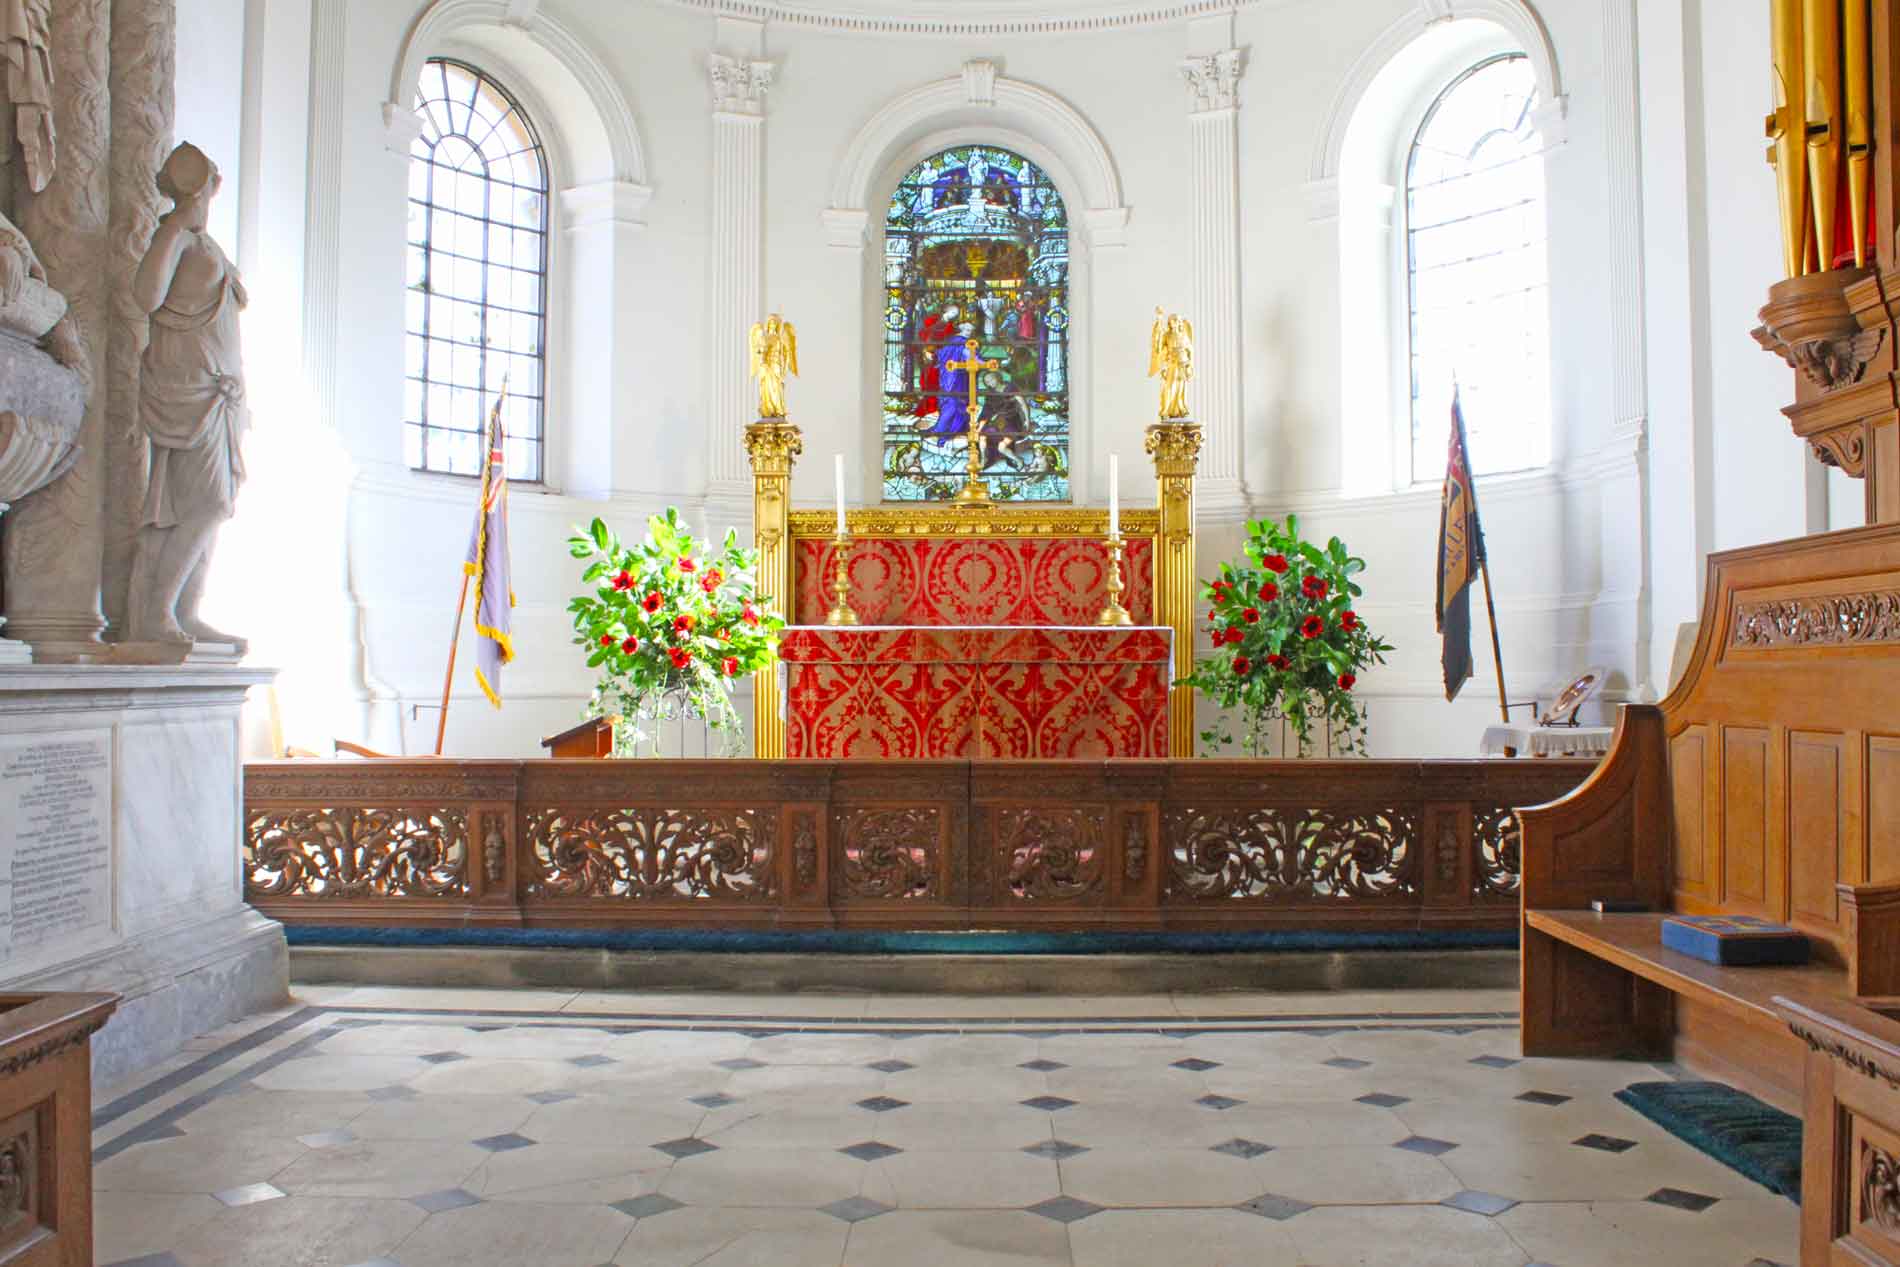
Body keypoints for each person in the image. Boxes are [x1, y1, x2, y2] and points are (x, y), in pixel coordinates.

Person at [126, 143, 249, 648]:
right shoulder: (176, 232)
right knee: (209, 503)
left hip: (220, 397)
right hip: (187, 392)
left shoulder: (207, 241)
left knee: (211, 503)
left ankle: (186, 610)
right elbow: (145, 296)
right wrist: (173, 231)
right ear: (203, 184)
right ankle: (157, 612)